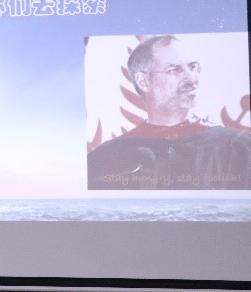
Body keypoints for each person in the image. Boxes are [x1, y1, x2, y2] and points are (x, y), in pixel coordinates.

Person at [87, 34, 251, 189]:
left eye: (193, 67)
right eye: (175, 70)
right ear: (143, 81)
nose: (192, 79)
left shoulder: (236, 147)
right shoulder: (107, 157)